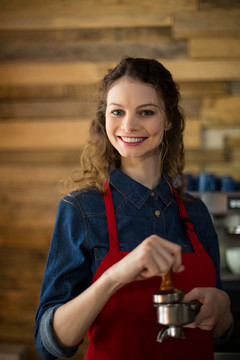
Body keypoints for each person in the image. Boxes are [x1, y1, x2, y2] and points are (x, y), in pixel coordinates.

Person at [35, 57, 233, 360]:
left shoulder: (196, 213)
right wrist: (115, 276)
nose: (128, 125)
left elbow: (219, 332)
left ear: (168, 120)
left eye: (146, 112)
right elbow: (51, 344)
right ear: (105, 118)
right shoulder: (80, 209)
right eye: (117, 112)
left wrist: (223, 314)